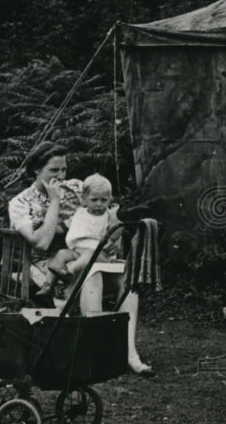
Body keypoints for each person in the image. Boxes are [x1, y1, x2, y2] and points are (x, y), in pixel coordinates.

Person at [8, 142, 154, 377]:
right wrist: (55, 201)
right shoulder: (21, 203)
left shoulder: (77, 188)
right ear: (36, 170)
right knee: (92, 273)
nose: (61, 176)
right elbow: (41, 243)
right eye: (53, 170)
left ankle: (129, 353)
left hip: (92, 255)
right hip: (50, 267)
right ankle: (94, 352)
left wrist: (112, 237)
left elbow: (107, 211)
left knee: (128, 278)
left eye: (64, 169)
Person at [36, 174, 121, 298]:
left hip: (99, 255)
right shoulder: (79, 214)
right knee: (61, 254)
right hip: (78, 252)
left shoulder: (107, 216)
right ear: (84, 198)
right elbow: (63, 227)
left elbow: (117, 230)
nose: (99, 204)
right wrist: (46, 228)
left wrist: (114, 216)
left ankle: (70, 272)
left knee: (88, 254)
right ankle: (48, 286)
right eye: (94, 200)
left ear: (110, 199)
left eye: (104, 200)